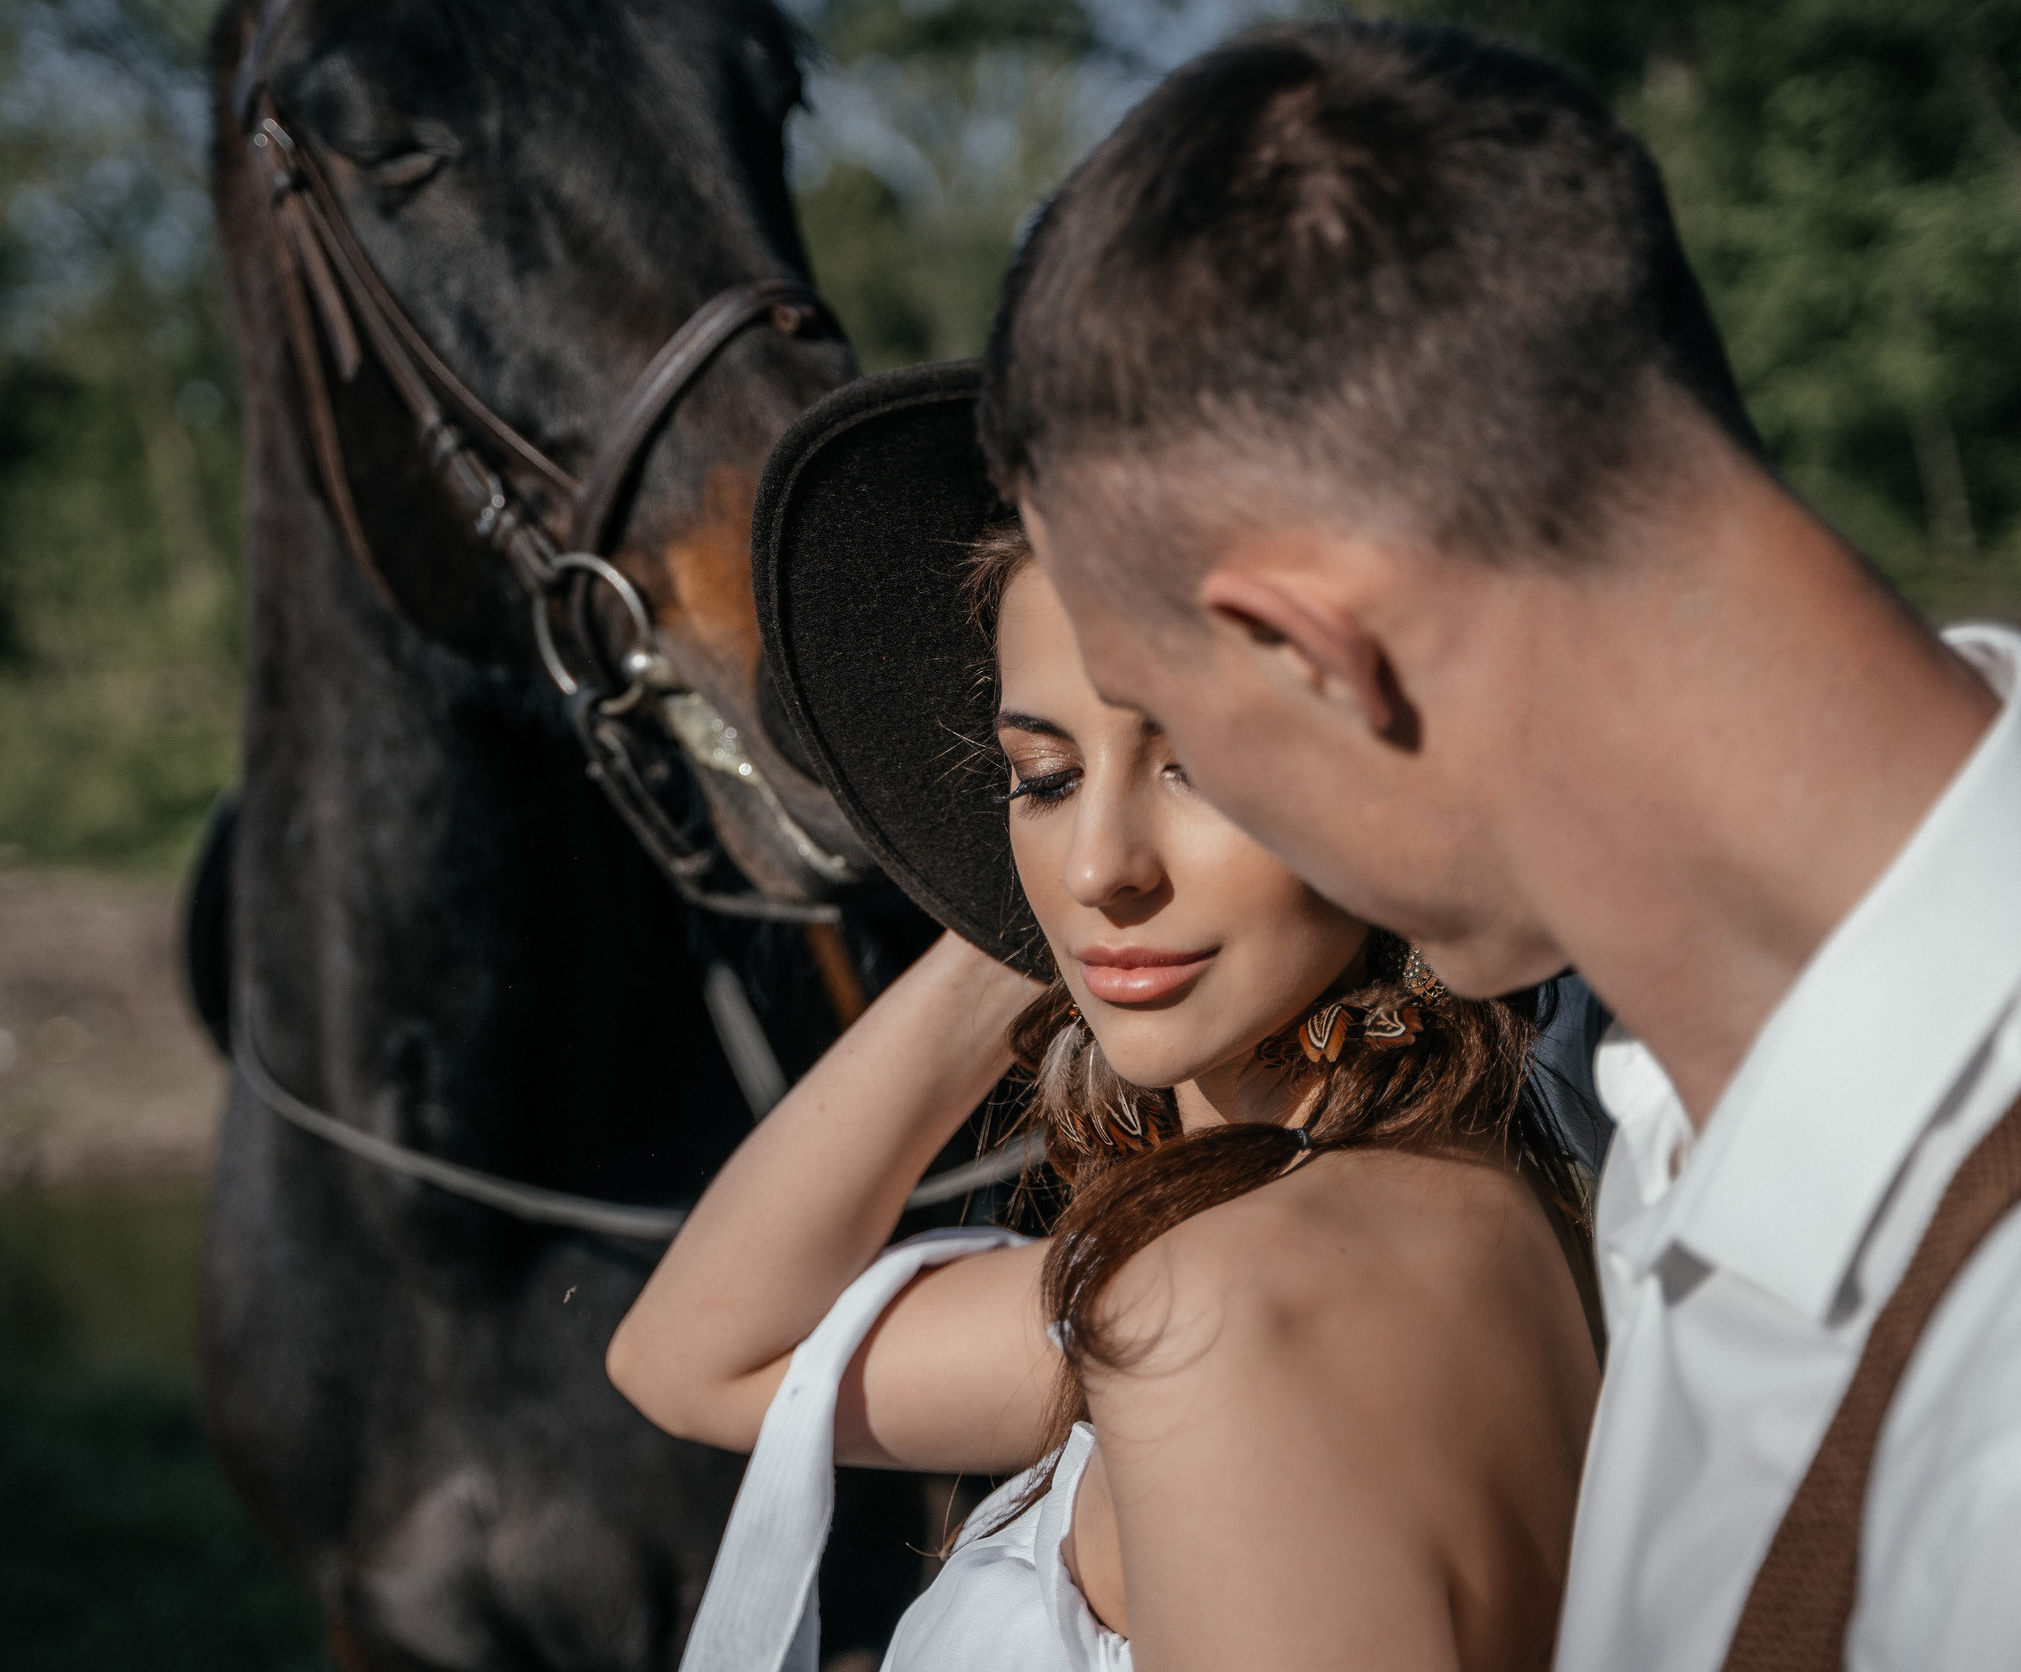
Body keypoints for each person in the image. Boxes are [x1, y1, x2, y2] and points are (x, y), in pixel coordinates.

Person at [977, 18, 2021, 1672]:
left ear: (1316, 657)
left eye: (1174, 725)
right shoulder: (1653, 1091)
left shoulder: (1987, 1443)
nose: (1111, 854)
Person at [608, 360, 1602, 1670]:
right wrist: (1021, 918)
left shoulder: (1218, 1310)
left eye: (1200, 765)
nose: (1098, 868)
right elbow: (698, 1360)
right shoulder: (1444, 1207)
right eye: (1041, 776)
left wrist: (1068, 898)